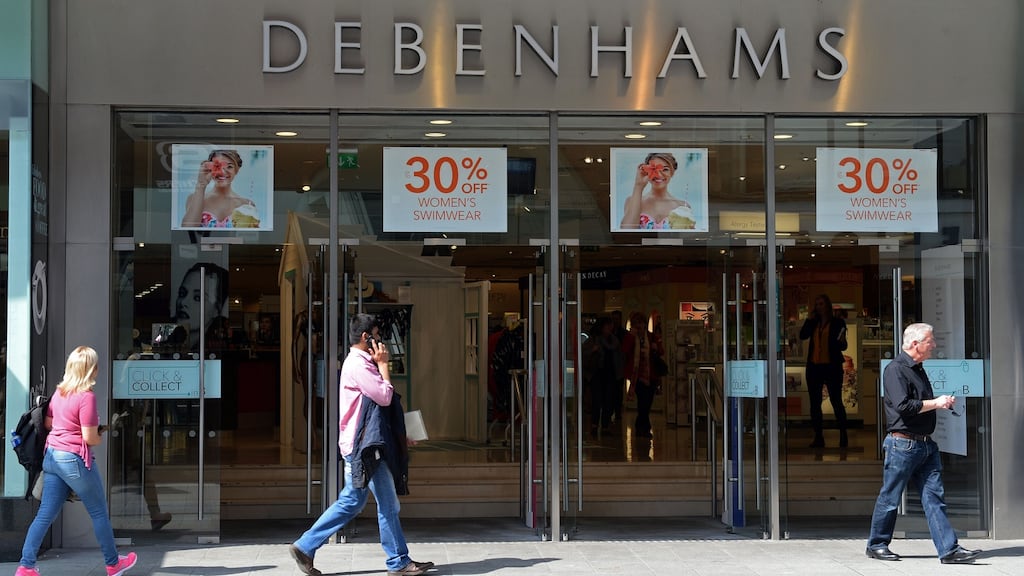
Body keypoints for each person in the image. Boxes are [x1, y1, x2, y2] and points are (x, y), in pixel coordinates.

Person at [289, 314, 434, 576]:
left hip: (362, 445)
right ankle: (398, 562)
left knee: (352, 502)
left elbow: (377, 410)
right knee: (387, 504)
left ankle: (305, 545)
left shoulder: (359, 363)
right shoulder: (360, 365)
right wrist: (384, 366)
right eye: (377, 335)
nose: (380, 341)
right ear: (367, 337)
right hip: (365, 448)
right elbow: (384, 396)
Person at [16, 346, 138, 576]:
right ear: (92, 369)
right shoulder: (86, 397)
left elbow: (50, 424)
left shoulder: (59, 393)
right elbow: (89, 437)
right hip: (74, 459)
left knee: (45, 514)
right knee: (99, 512)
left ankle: (26, 566)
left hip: (52, 457)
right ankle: (113, 564)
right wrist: (100, 431)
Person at [866, 323, 981, 564]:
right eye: (930, 340)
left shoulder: (918, 368)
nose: (934, 345)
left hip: (925, 445)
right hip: (902, 445)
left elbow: (918, 403)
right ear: (915, 344)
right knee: (890, 497)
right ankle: (876, 544)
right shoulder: (896, 370)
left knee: (934, 498)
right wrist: (936, 403)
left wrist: (939, 402)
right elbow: (903, 407)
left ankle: (949, 549)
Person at [799, 294, 849, 448]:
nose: (818, 307)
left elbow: (843, 346)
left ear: (827, 305)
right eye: (817, 304)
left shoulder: (837, 322)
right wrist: (809, 318)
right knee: (815, 403)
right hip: (815, 366)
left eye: (821, 304)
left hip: (832, 366)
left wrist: (841, 341)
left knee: (836, 401)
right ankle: (818, 436)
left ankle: (843, 434)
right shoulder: (813, 323)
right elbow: (802, 336)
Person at [180, 149, 261, 228]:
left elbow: (252, 238)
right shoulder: (195, 198)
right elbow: (186, 232)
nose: (222, 172)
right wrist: (201, 185)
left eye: (229, 166)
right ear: (210, 168)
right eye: (217, 166)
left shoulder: (247, 205)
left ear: (236, 170)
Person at [619, 152, 695, 230]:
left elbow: (687, 238)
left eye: (665, 169)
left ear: (672, 173)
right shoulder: (633, 201)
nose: (658, 174)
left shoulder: (682, 206)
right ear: (646, 171)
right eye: (653, 169)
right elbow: (626, 231)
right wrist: (638, 185)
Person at [173, 262, 229, 352]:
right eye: (182, 294)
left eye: (197, 298)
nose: (183, 302)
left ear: (217, 309)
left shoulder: (216, 346)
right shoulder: (167, 337)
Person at [622, 311, 656, 438]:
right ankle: (644, 428)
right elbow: (625, 350)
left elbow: (660, 351)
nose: (639, 326)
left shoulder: (651, 337)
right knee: (643, 402)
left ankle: (640, 425)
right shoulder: (631, 337)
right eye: (636, 324)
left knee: (648, 403)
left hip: (651, 375)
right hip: (637, 376)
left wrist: (655, 348)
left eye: (641, 323)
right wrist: (631, 336)